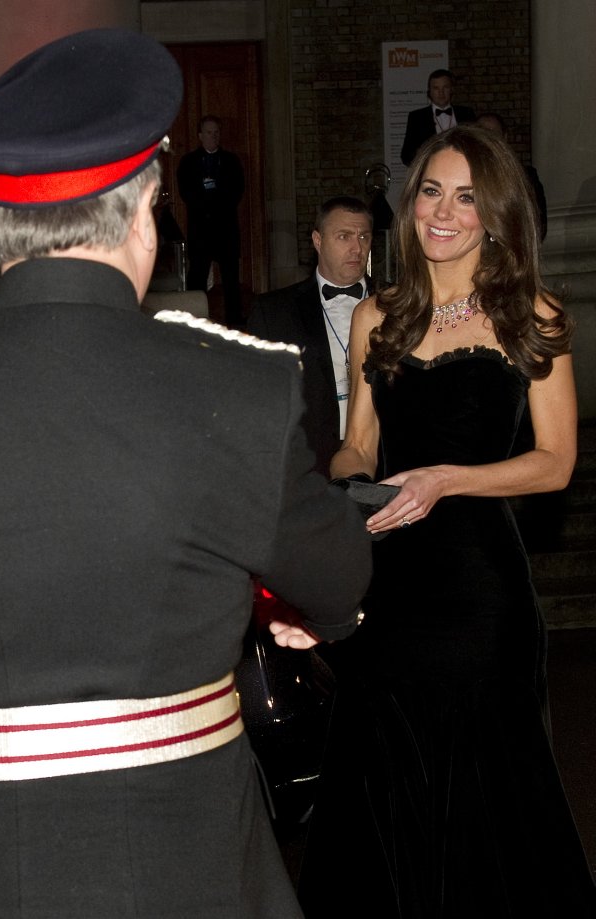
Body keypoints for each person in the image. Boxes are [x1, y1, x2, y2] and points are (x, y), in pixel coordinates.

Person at [0, 28, 371, 919]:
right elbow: (340, 575)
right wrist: (317, 617)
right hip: (189, 865)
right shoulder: (239, 388)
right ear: (144, 210)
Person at [297, 124, 596, 917]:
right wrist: (355, 490)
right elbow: (355, 446)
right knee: (379, 789)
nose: (443, 211)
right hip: (387, 586)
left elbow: (556, 460)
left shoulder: (531, 313)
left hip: (478, 595)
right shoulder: (377, 315)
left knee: (485, 803)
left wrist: (448, 480)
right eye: (432, 190)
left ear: (493, 214)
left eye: (466, 197)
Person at [248, 196, 373, 476]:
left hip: (384, 458)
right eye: (344, 236)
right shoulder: (274, 311)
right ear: (318, 241)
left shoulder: (398, 305)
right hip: (308, 465)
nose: (357, 248)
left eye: (364, 236)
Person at [177, 115, 245, 326]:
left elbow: (237, 191)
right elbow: (186, 192)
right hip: (201, 229)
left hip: (226, 228)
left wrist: (217, 200)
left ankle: (235, 321)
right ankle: (193, 320)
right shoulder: (188, 162)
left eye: (216, 132)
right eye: (209, 132)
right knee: (197, 276)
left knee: (231, 278)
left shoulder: (232, 161)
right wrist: (207, 202)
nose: (213, 136)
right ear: (200, 135)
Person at [477, 112, 548, 240]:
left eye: (493, 134)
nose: (487, 139)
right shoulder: (462, 177)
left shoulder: (526, 177)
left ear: (505, 137)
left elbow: (538, 224)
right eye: (482, 133)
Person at [400, 68, 476, 167]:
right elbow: (406, 156)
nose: (441, 93)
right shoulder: (417, 117)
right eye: (436, 88)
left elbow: (475, 147)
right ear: (429, 91)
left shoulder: (467, 113)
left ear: (452, 89)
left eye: (445, 87)